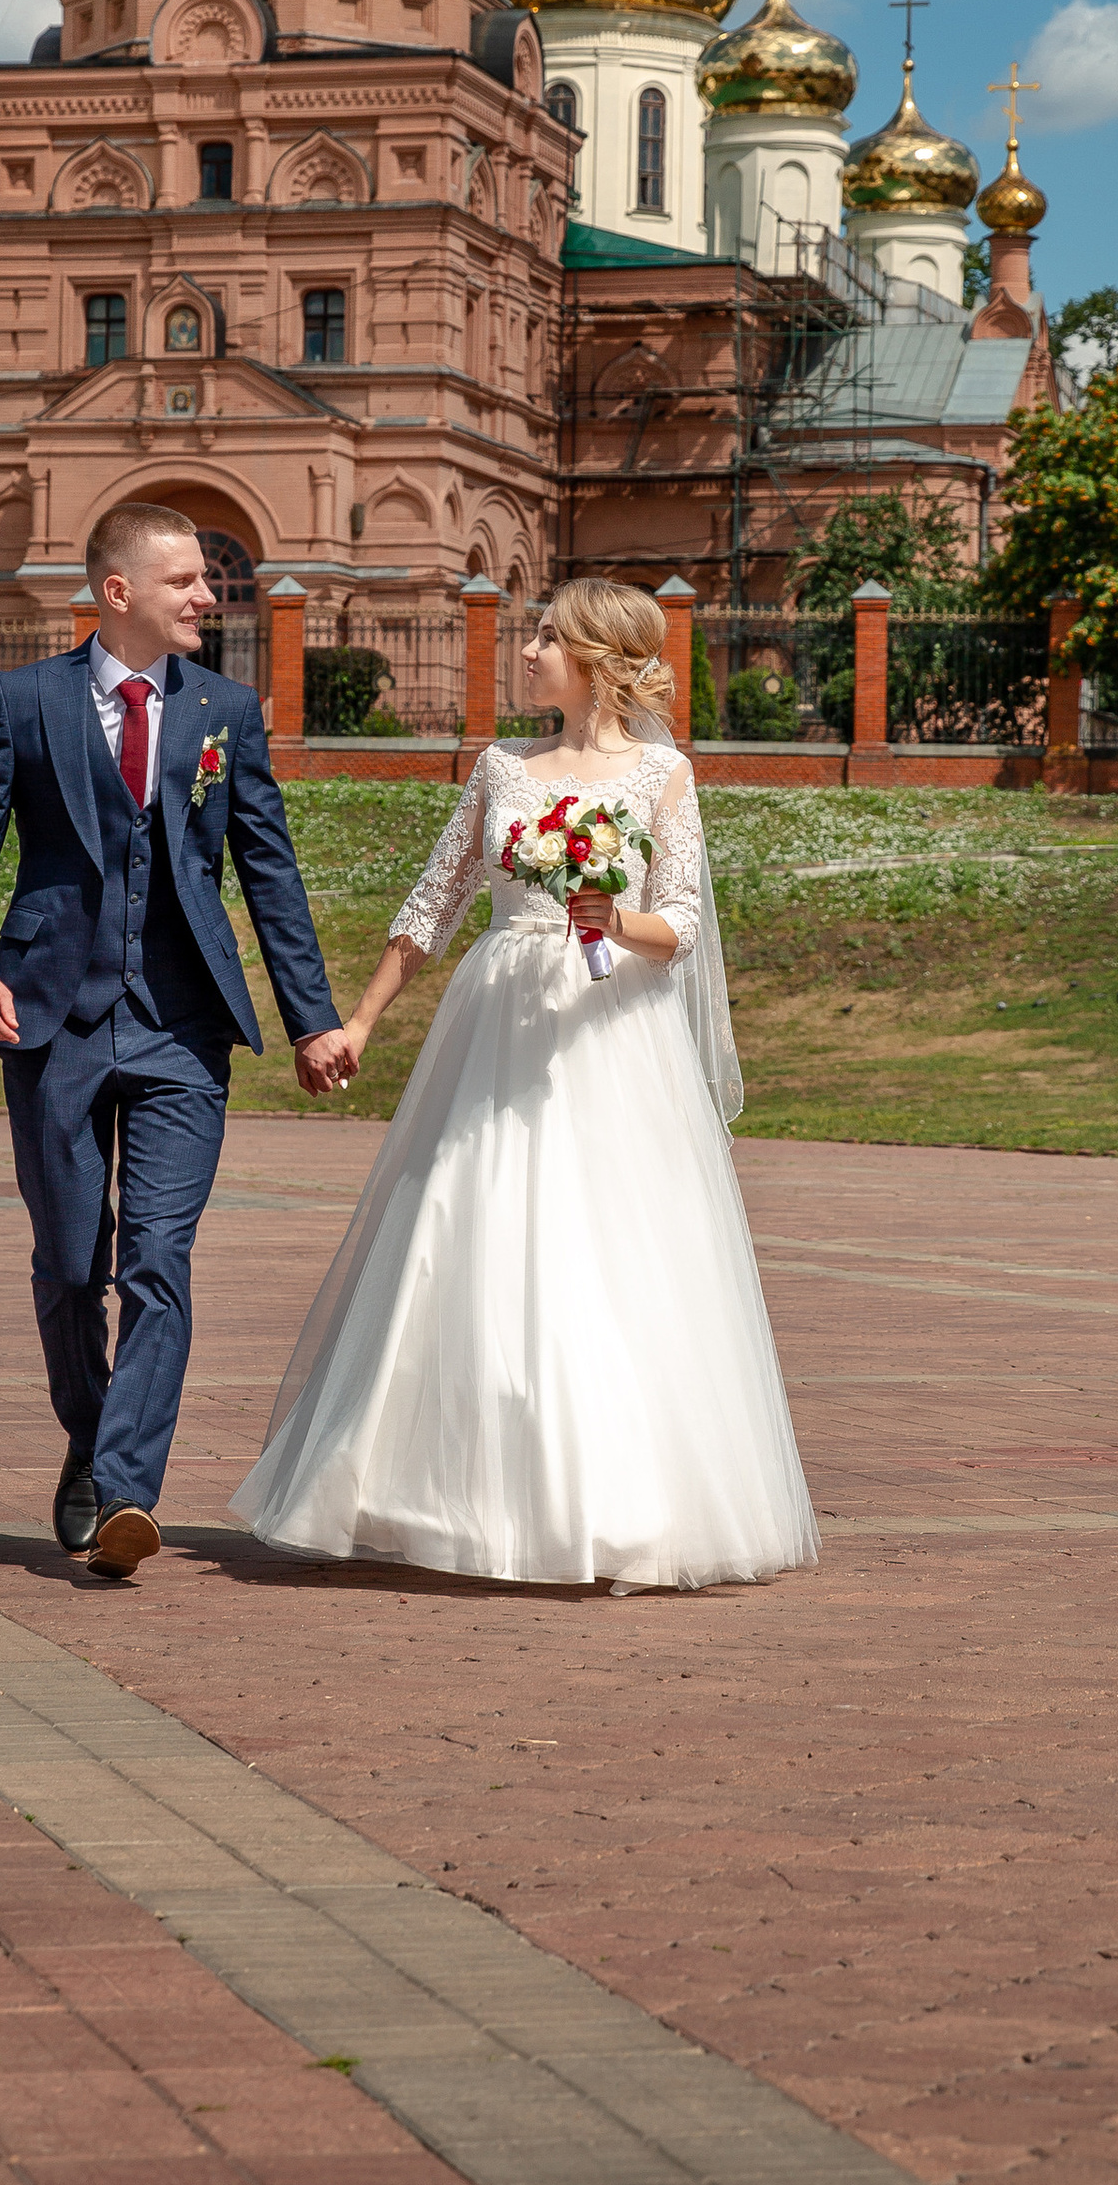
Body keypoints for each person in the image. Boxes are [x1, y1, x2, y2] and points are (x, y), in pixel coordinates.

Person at [230, 580, 817, 1592]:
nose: (528, 650)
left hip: (609, 1031)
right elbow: (434, 901)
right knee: (464, 1220)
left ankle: (616, 1502)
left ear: (597, 658)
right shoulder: (501, 767)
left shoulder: (663, 776)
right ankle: (439, 1494)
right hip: (497, 1018)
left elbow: (680, 921)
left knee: (609, 1248)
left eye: (547, 636)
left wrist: (610, 917)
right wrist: (360, 1021)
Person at [0, 503, 353, 1582]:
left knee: (157, 1259)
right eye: (185, 581)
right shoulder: (23, 700)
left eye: (207, 580)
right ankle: (89, 1443)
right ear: (117, 592)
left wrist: (311, 1019)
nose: (208, 596)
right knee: (72, 1266)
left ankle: (124, 1489)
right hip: (51, 1019)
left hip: (182, 1028)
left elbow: (268, 870)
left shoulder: (225, 710)